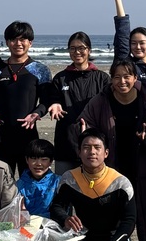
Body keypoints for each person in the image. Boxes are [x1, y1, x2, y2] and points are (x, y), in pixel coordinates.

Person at [75, 59, 146, 241]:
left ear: (135, 77)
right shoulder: (101, 100)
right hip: (112, 166)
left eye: (127, 76)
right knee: (113, 211)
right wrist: (86, 133)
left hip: (143, 164)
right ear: (111, 79)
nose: (122, 81)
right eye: (116, 77)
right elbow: (84, 125)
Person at [0, 21, 53, 174]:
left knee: (30, 182)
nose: (18, 43)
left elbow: (46, 100)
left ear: (30, 42)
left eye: (23, 39)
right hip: (2, 137)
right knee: (1, 183)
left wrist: (36, 113)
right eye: (13, 39)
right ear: (7, 42)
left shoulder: (40, 69)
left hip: (29, 136)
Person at [50, 128, 137, 241]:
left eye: (97, 147)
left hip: (114, 240)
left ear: (106, 153)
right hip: (83, 237)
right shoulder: (70, 179)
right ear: (79, 152)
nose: (92, 152)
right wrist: (66, 219)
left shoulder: (120, 183)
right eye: (86, 147)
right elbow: (56, 206)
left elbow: (129, 220)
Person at [45, 31, 110, 173]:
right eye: (72, 48)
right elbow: (53, 98)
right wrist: (55, 103)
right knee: (65, 187)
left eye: (81, 48)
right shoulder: (60, 78)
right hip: (66, 142)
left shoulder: (102, 78)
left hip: (93, 144)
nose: (77, 52)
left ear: (89, 50)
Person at [16, 139, 59, 219]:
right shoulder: (19, 185)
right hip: (26, 226)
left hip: (52, 226)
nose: (38, 164)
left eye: (44, 159)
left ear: (51, 161)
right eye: (33, 158)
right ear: (27, 160)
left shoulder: (57, 183)